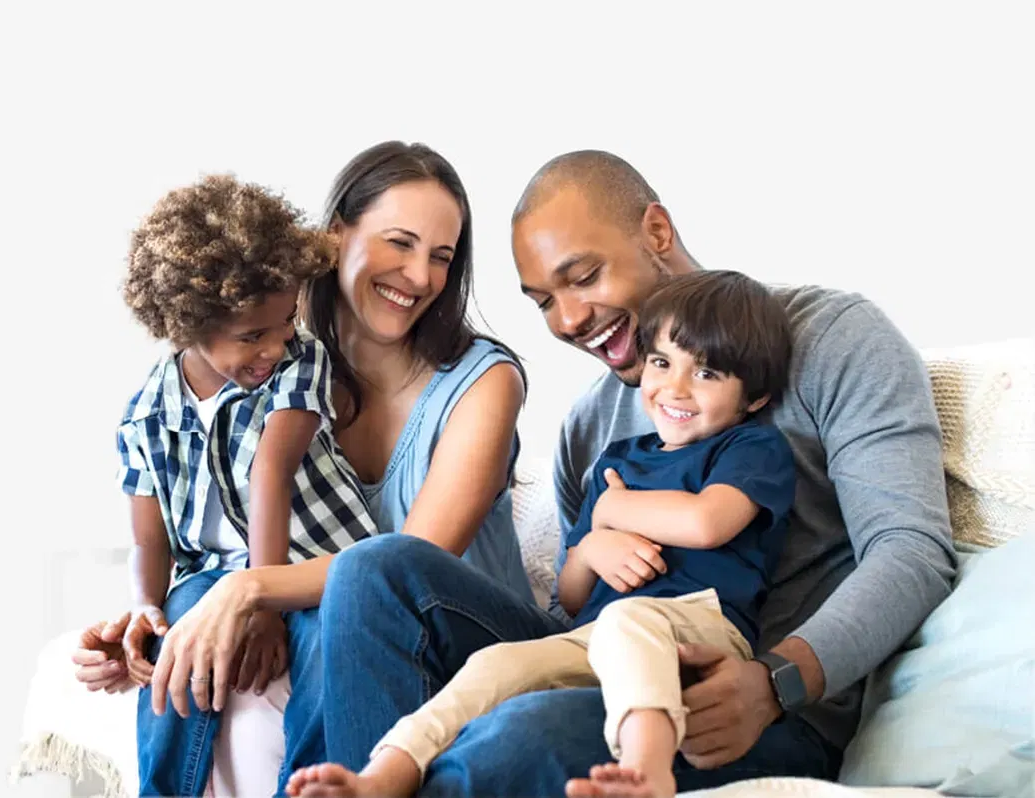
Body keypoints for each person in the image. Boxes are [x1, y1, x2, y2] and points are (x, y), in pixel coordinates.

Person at [313, 149, 957, 796]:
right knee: (374, 571)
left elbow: (911, 551)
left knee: (516, 737)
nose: (567, 321)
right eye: (543, 302)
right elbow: (577, 603)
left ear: (655, 232)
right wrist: (593, 547)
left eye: (584, 276)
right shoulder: (591, 425)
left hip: (748, 701)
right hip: (610, 657)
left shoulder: (833, 339)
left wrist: (777, 681)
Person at [72, 141, 533, 797]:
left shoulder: (483, 382)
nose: (421, 276)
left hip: (461, 635)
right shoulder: (272, 361)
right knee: (198, 605)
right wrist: (152, 619)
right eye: (399, 243)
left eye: (441, 256)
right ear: (336, 235)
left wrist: (251, 588)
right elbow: (203, 518)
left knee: (350, 589)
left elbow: (410, 564)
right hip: (341, 618)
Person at [288, 270, 797, 798]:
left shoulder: (750, 448)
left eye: (707, 374)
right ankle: (383, 776)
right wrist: (594, 544)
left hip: (701, 631)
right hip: (595, 638)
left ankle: (648, 771)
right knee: (496, 664)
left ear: (754, 397)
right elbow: (573, 597)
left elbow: (706, 522)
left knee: (630, 618)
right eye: (663, 362)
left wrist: (614, 509)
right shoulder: (618, 460)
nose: (675, 388)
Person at [84, 173, 382, 796]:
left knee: (334, 649)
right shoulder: (145, 415)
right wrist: (146, 606)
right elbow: (150, 540)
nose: (274, 346)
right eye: (252, 335)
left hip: (314, 567)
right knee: (176, 650)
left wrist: (265, 601)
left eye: (283, 324)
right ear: (187, 324)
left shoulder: (301, 360)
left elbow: (269, 471)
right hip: (211, 575)